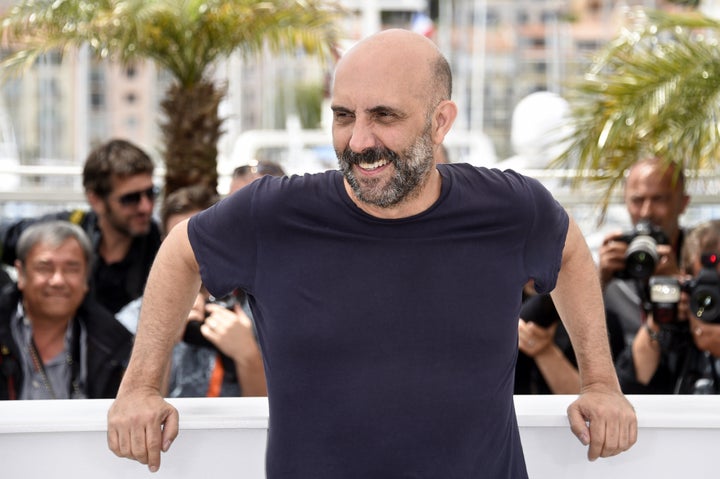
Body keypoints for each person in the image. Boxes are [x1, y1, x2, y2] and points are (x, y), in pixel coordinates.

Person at [107, 29, 636, 477]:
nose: (359, 140)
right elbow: (181, 252)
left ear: (440, 121)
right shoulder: (273, 214)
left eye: (384, 115)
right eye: (343, 115)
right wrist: (140, 388)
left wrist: (600, 383)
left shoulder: (507, 207)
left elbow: (567, 250)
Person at [0, 139, 162, 315]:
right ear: (96, 201)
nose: (146, 207)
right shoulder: (67, 229)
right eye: (131, 198)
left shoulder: (162, 244)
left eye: (151, 193)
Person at [0, 221, 133, 399]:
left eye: (72, 269)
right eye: (45, 268)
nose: (58, 281)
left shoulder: (114, 343)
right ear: (21, 274)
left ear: (86, 278)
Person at [160, 184, 266, 397]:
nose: (189, 252)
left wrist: (248, 356)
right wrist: (163, 338)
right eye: (177, 243)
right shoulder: (142, 312)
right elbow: (135, 406)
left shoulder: (261, 307)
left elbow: (269, 414)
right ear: (163, 244)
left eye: (199, 239)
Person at [616, 219, 720, 394]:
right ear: (685, 279)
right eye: (702, 285)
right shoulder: (676, 325)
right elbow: (626, 387)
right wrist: (660, 316)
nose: (710, 298)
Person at [599, 157, 690, 347]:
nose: (646, 212)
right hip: (626, 371)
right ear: (625, 202)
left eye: (659, 199)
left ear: (683, 203)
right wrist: (599, 280)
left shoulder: (701, 253)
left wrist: (683, 286)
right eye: (637, 200)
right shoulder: (614, 259)